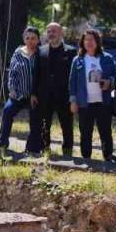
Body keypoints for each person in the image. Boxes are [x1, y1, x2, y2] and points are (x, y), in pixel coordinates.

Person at [68, 28, 116, 161]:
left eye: (92, 39)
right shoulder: (77, 60)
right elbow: (72, 82)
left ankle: (108, 157)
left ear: (97, 42)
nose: (89, 42)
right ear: (82, 42)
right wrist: (73, 101)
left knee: (105, 132)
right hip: (84, 103)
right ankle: (86, 158)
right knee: (85, 133)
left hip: (103, 102)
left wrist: (110, 82)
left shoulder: (107, 58)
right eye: (86, 39)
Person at [32, 23, 78, 156]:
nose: (51, 34)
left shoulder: (70, 51)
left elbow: (74, 75)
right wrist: (34, 93)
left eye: (54, 31)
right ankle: (45, 149)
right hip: (45, 95)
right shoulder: (41, 50)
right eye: (49, 31)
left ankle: (67, 152)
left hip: (64, 96)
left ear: (61, 33)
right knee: (44, 125)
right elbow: (36, 73)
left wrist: (73, 96)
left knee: (67, 125)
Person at [0, 27, 40, 155]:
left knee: (36, 119)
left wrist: (36, 93)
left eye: (33, 38)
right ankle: (2, 143)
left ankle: (31, 148)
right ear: (24, 39)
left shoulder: (40, 53)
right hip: (18, 94)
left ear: (37, 40)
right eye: (28, 38)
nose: (30, 41)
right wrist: (12, 89)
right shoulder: (18, 53)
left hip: (34, 96)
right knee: (7, 111)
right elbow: (12, 73)